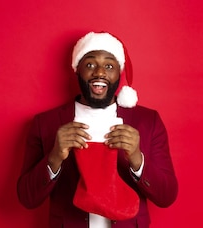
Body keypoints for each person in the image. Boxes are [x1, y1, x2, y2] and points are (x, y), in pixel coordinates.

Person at [17, 31, 178, 228]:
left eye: (109, 66)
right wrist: (54, 157)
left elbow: (166, 196)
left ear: (119, 73)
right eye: (90, 64)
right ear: (77, 70)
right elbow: (27, 198)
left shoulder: (147, 121)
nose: (100, 72)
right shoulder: (46, 123)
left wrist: (137, 157)